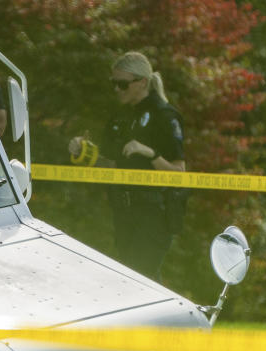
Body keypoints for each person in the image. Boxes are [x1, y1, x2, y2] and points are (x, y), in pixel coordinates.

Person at [68, 51, 187, 281]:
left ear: (142, 82)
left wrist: (150, 153)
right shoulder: (119, 116)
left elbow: (179, 173)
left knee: (142, 277)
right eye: (114, 83)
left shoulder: (165, 116)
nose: (116, 89)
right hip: (123, 210)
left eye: (122, 84)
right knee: (132, 278)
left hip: (155, 212)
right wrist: (84, 152)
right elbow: (111, 165)